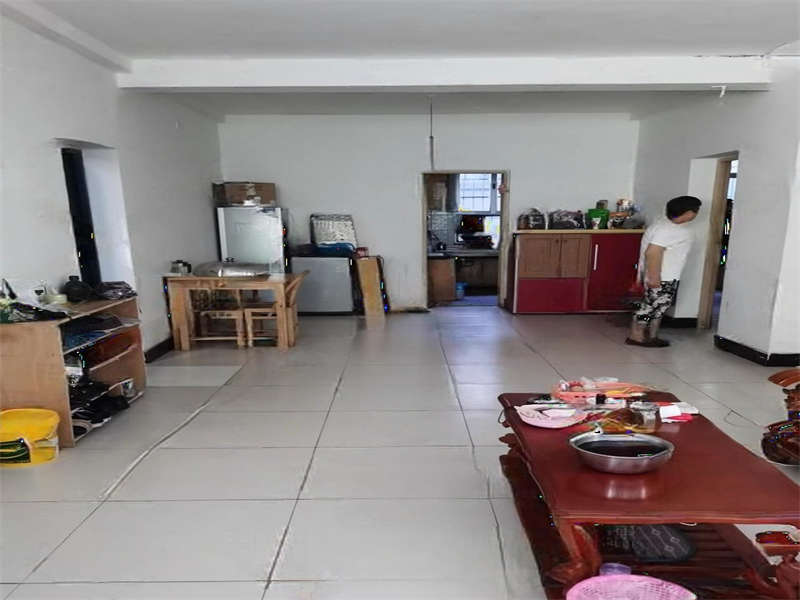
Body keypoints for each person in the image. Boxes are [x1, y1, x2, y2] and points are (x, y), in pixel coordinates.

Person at [626, 195, 702, 347]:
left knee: (658, 307)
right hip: (662, 277)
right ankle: (636, 336)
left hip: (664, 276)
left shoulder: (663, 225)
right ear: (688, 213)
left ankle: (652, 336)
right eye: (696, 210)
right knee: (650, 308)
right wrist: (654, 277)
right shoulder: (669, 230)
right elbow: (652, 252)